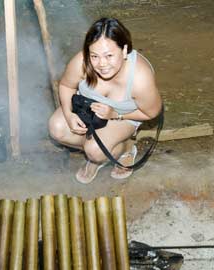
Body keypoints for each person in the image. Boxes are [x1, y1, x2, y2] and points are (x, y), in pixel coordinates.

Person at [49, 17, 162, 184]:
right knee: (57, 128)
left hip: (126, 115)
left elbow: (151, 112)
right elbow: (66, 86)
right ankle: (100, 151)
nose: (102, 64)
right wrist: (68, 114)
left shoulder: (139, 77)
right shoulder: (81, 62)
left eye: (109, 55)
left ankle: (124, 149)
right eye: (94, 56)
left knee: (95, 150)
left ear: (124, 51)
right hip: (89, 108)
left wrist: (115, 114)